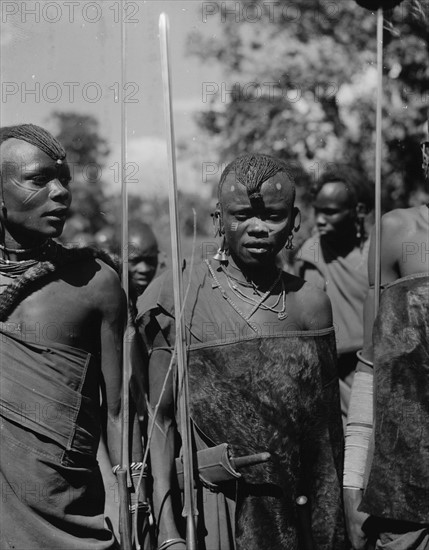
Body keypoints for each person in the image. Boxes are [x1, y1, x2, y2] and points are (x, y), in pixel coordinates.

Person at [135, 153, 345, 550]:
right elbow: (158, 421)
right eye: (242, 216)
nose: (258, 229)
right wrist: (167, 533)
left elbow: (324, 441)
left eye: (272, 217)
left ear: (295, 221)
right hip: (212, 510)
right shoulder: (179, 296)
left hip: (291, 509)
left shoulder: (310, 304)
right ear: (218, 220)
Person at [0, 124, 125, 549]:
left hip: (72, 523)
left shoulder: (94, 282)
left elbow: (119, 413)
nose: (61, 192)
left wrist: (125, 507)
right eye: (39, 179)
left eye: (64, 180)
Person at [343, 137, 429, 549]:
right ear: (427, 156)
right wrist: (352, 478)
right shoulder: (397, 231)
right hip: (405, 485)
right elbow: (372, 363)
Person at [295, 168, 373, 429]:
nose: (319, 220)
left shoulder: (377, 251)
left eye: (330, 212)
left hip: (377, 368)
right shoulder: (313, 253)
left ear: (358, 210)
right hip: (335, 375)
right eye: (317, 211)